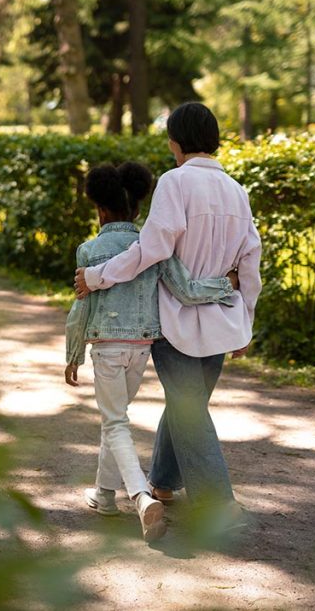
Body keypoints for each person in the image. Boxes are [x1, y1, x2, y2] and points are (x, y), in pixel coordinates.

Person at [75, 102, 262, 533]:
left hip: (175, 319)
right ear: (214, 139)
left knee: (188, 407)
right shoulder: (237, 189)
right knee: (188, 403)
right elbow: (250, 262)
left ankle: (216, 503)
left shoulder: (174, 183)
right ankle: (162, 481)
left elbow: (151, 249)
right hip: (222, 317)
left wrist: (97, 276)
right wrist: (247, 318)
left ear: (174, 142)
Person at [64, 161, 237, 542]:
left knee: (115, 422)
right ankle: (104, 495)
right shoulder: (154, 246)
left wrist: (73, 353)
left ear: (100, 210)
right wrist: (227, 286)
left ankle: (142, 498)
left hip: (107, 348)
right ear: (138, 209)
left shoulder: (89, 250)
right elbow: (187, 290)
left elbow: (81, 308)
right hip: (143, 348)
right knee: (117, 418)